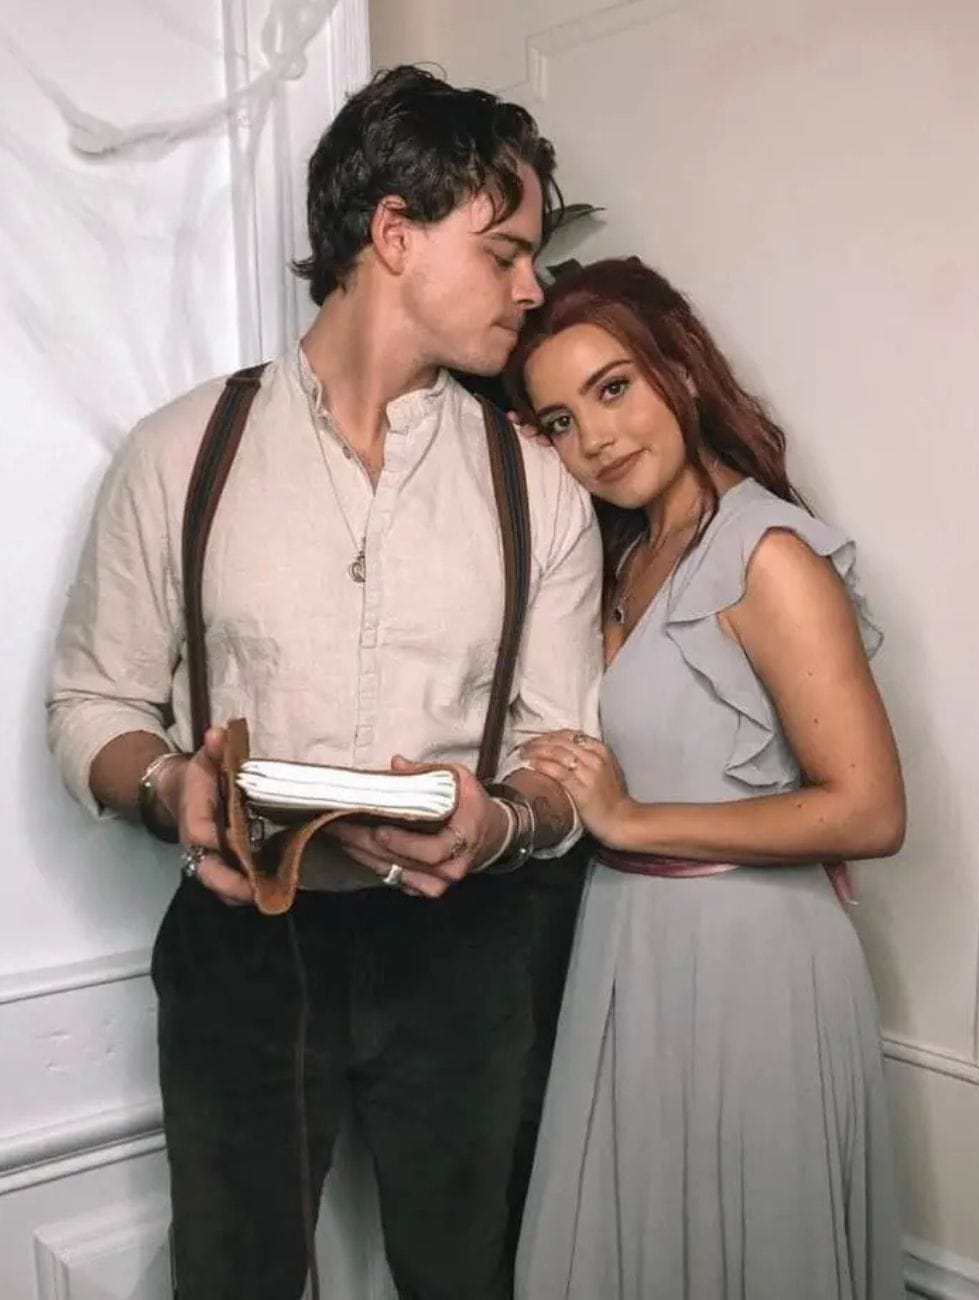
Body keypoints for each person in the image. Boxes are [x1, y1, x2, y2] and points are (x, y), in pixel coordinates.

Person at [46, 67, 603, 1300]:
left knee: (464, 1280)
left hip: (463, 957)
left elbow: (564, 756)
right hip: (244, 951)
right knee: (232, 1280)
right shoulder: (181, 452)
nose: (532, 286)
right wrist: (171, 789)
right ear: (394, 233)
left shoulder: (537, 487)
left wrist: (502, 821)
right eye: (505, 250)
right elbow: (90, 706)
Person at [503, 257, 906, 1299]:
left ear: (679, 371)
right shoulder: (627, 552)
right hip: (627, 944)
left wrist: (631, 819)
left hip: (749, 964)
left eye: (613, 388)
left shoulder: (765, 555)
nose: (595, 438)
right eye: (560, 421)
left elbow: (869, 810)